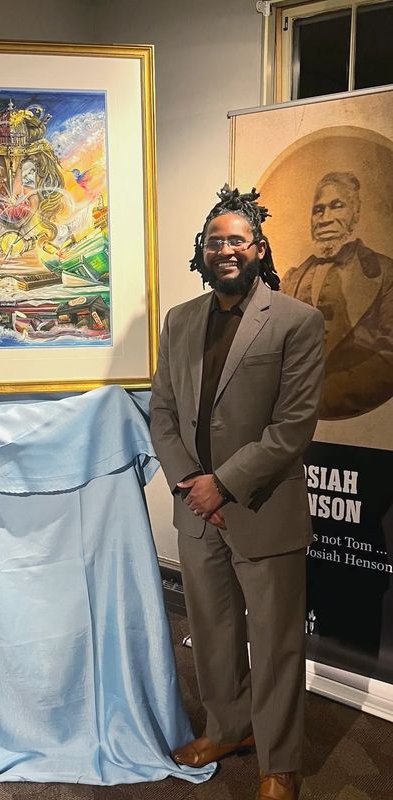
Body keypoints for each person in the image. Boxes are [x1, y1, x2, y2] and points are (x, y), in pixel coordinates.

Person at [150, 186, 324, 800]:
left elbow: (292, 428)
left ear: (258, 248)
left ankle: (280, 762)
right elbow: (163, 412)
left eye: (237, 240)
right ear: (201, 251)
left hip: (262, 508)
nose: (226, 249)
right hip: (196, 513)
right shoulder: (179, 321)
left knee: (275, 643)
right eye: (215, 241)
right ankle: (228, 729)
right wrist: (189, 485)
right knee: (213, 632)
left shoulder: (298, 322)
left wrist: (221, 485)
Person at [281, 171, 393, 419]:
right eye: (318, 210)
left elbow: (390, 356)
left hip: (354, 420)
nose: (325, 218)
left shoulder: (385, 273)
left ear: (355, 213)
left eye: (337, 206)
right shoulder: (291, 279)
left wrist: (320, 397)